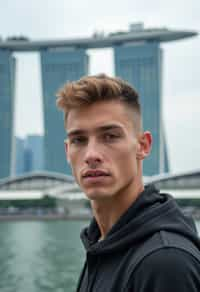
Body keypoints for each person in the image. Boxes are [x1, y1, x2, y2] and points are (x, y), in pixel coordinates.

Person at [56, 74, 200, 292]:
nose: (91, 154)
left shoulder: (165, 263)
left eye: (110, 136)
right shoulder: (101, 242)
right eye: (79, 140)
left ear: (143, 145)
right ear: (68, 152)